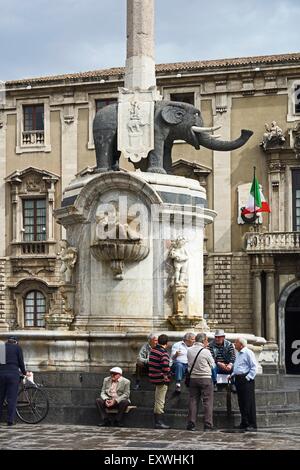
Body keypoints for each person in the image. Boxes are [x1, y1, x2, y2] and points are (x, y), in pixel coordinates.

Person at [186, 332, 216, 432]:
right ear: (203, 341)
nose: (207, 342)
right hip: (205, 378)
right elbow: (213, 365)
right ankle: (208, 425)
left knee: (193, 401)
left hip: (193, 378)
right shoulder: (206, 351)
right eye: (207, 340)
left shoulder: (189, 350)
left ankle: (191, 423)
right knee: (207, 401)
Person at [0, 336, 29, 426]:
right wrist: (24, 372)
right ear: (16, 342)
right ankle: (10, 420)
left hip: (1, 374)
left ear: (8, 341)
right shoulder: (17, 348)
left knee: (0, 398)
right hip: (13, 374)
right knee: (12, 398)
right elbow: (21, 362)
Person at [231, 337, 257, 431]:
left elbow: (254, 367)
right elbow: (238, 366)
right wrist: (233, 374)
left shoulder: (248, 353)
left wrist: (247, 377)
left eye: (236, 342)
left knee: (248, 402)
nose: (234, 344)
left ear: (241, 344)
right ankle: (244, 422)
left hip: (246, 380)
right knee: (241, 402)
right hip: (238, 379)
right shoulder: (238, 353)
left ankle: (252, 423)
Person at [148, 334, 171, 429]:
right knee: (160, 401)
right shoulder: (163, 353)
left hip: (153, 377)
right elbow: (165, 366)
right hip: (161, 378)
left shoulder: (153, 350)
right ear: (167, 343)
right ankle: (158, 422)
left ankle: (158, 421)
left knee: (158, 399)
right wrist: (168, 373)